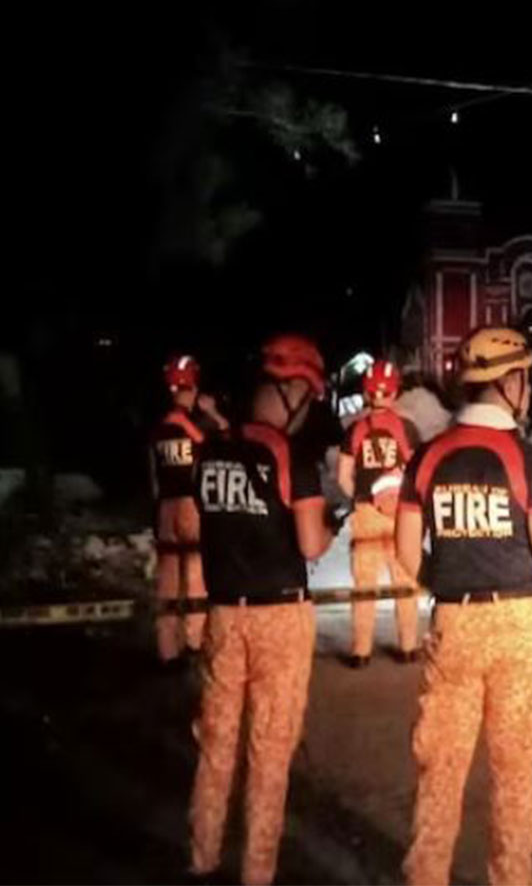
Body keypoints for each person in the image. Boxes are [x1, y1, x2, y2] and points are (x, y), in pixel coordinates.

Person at [396, 326, 532, 886]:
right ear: (510, 382)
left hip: (454, 624)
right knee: (514, 773)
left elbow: (407, 553)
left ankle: (426, 876)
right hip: (521, 627)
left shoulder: (428, 458)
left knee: (441, 771)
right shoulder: (528, 461)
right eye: (525, 380)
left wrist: (448, 584)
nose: (528, 390)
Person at [187, 334, 338, 886]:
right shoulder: (290, 457)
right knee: (270, 754)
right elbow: (310, 545)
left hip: (224, 614)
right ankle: (257, 873)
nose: (308, 407)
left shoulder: (211, 450)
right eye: (309, 394)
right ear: (292, 387)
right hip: (279, 614)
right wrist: (329, 522)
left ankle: (202, 858)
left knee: (216, 743)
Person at [337, 358, 422, 667]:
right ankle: (409, 647)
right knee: (405, 581)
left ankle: (361, 651)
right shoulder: (407, 428)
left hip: (366, 513)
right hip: (399, 513)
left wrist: (360, 498)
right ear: (394, 393)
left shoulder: (356, 430)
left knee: (364, 585)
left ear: (366, 392)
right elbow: (417, 471)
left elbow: (342, 476)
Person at [150, 354, 229, 667]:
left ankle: (167, 650)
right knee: (196, 575)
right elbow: (226, 439)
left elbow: (153, 477)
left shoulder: (158, 429)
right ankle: (195, 642)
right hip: (192, 506)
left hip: (165, 507)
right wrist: (213, 414)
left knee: (167, 581)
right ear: (193, 387)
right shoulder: (197, 427)